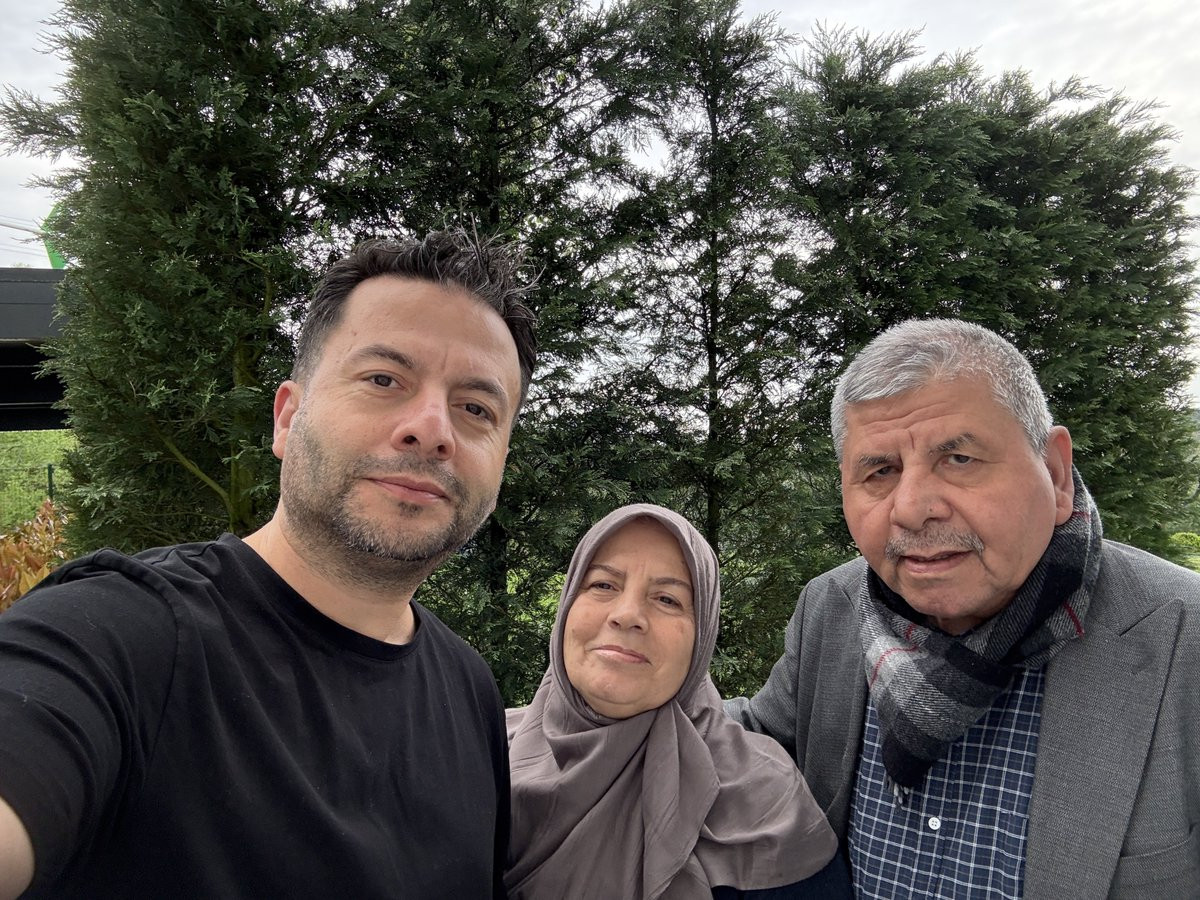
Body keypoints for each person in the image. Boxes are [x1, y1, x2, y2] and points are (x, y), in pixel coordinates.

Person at [0, 228, 537, 899]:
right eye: (383, 379)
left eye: (476, 408)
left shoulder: (468, 688)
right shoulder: (122, 635)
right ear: (287, 418)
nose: (432, 429)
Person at [726, 318, 1200, 899]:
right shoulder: (832, 608)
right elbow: (744, 748)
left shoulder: (1185, 643)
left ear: (1054, 474)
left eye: (959, 459)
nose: (912, 508)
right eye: (880, 471)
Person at [506, 503, 852, 899]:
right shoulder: (484, 752)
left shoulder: (765, 806)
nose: (627, 615)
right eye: (603, 585)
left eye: (667, 599)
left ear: (701, 637)